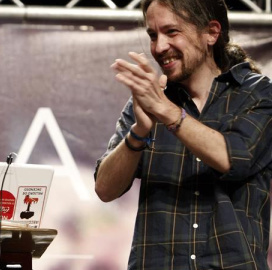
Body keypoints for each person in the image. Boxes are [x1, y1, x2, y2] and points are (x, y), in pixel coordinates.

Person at [94, 0, 272, 269]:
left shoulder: (256, 93)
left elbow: (232, 157)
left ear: (211, 32)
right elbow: (105, 189)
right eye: (153, 35)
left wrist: (166, 112)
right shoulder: (150, 103)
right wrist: (139, 131)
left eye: (171, 32)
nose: (159, 47)